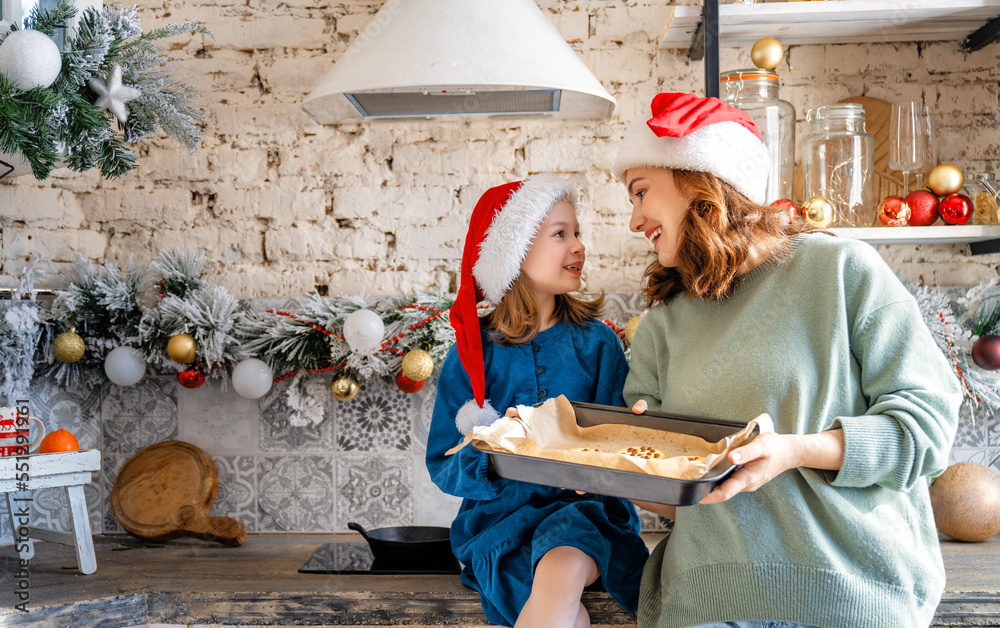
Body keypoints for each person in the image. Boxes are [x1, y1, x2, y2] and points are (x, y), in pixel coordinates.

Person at [612, 92, 962, 628]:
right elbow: (676, 502)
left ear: (698, 179)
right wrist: (625, 468)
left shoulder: (843, 271)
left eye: (640, 193)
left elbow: (927, 431)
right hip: (711, 601)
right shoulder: (664, 325)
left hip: (848, 594)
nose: (634, 220)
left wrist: (796, 450)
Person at [426, 173, 649, 628]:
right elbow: (442, 461)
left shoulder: (597, 344)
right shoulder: (472, 354)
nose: (579, 246)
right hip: (500, 528)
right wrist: (497, 451)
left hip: (584, 517)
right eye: (560, 235)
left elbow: (618, 440)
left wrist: (604, 465)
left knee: (563, 566)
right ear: (516, 251)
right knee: (566, 613)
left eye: (578, 233)